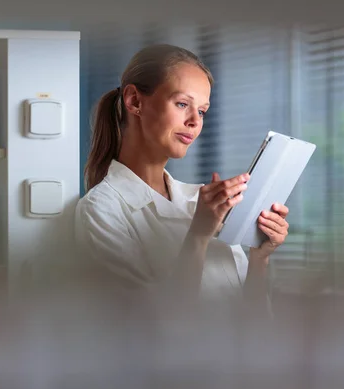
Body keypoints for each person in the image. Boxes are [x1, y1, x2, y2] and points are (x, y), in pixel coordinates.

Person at [75, 44, 290, 314]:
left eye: (201, 111)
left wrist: (260, 257)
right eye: (182, 104)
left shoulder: (204, 202)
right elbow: (150, 328)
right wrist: (199, 235)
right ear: (134, 101)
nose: (194, 122)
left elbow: (253, 321)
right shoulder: (100, 210)